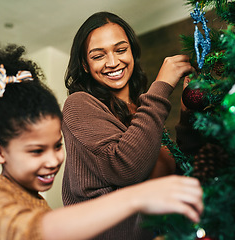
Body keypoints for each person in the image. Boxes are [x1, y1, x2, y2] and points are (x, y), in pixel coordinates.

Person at [0, 40, 203, 240]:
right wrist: (137, 198)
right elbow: (34, 231)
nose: (53, 161)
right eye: (36, 151)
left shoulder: (37, 201)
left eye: (57, 146)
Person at [62, 11, 196, 239]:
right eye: (98, 56)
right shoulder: (78, 104)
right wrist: (161, 85)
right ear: (85, 65)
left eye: (121, 49)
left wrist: (187, 114)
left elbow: (183, 172)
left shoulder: (141, 112)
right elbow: (126, 168)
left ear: (132, 51)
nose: (113, 62)